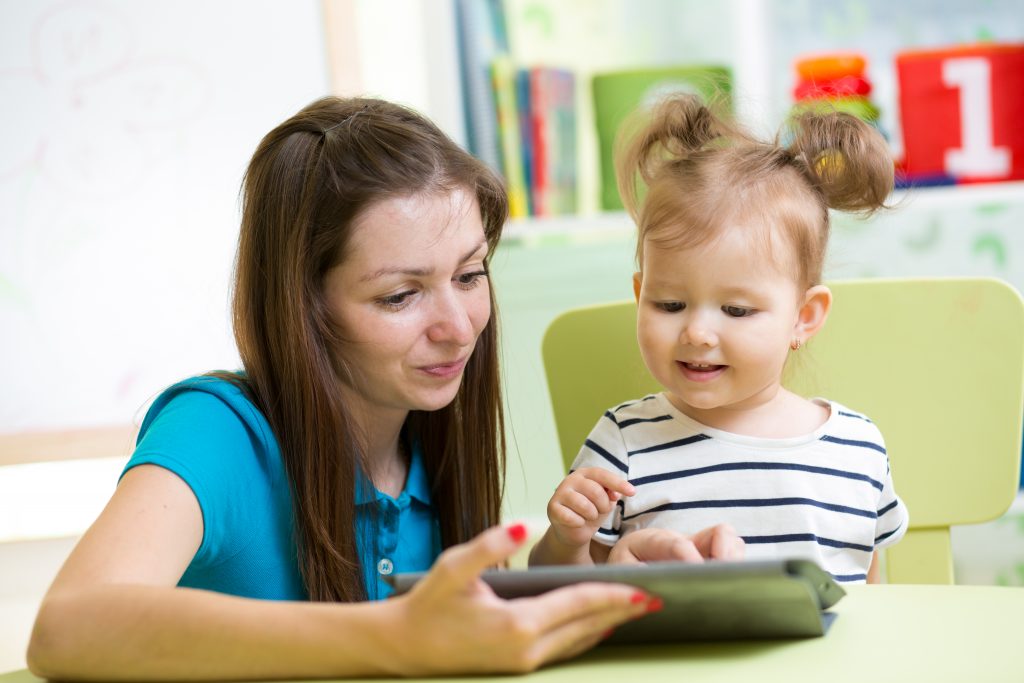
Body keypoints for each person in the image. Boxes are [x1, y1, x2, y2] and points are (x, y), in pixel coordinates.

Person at [26, 96, 745, 681]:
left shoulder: (433, 447)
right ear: (303, 307)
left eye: (470, 275)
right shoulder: (219, 433)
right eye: (401, 296)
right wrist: (397, 634)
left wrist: (596, 587)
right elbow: (66, 625)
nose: (460, 328)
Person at [529, 94, 909, 584]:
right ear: (640, 295)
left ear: (804, 317)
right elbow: (569, 594)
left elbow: (875, 601)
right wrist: (566, 539)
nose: (697, 332)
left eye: (736, 310)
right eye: (669, 305)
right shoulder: (624, 443)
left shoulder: (856, 449)